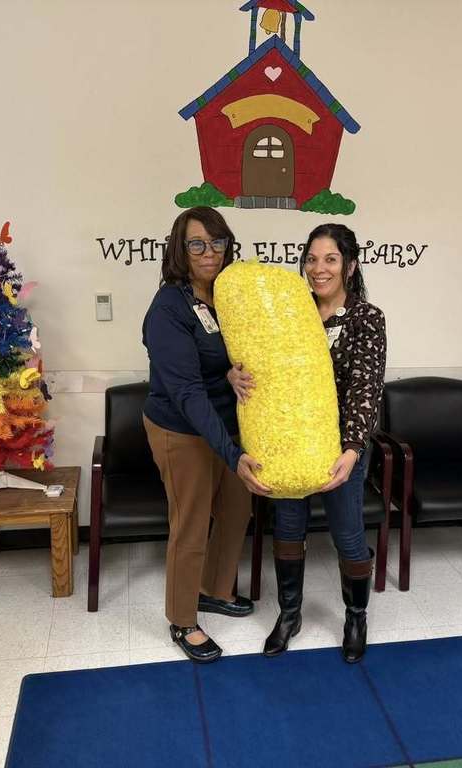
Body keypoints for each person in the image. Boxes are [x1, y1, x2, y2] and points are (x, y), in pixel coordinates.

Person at [228, 223, 387, 663]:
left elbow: (366, 388)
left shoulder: (365, 319)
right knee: (288, 528)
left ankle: (356, 616)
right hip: (288, 442)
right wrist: (233, 375)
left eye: (330, 259)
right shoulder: (288, 312)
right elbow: (257, 362)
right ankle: (290, 613)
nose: (319, 269)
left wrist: (352, 451)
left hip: (343, 447)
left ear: (350, 266)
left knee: (348, 535)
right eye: (312, 259)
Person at [142, 206, 271, 664]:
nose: (209, 253)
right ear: (181, 248)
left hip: (225, 422)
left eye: (217, 243)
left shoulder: (227, 295)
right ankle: (182, 618)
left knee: (237, 511)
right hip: (180, 428)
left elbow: (224, 360)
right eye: (197, 244)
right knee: (191, 523)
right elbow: (187, 391)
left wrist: (232, 377)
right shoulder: (168, 308)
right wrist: (232, 454)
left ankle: (215, 590)